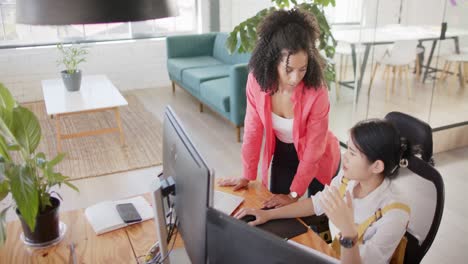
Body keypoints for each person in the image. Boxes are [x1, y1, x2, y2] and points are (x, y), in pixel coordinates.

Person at [235, 119, 412, 264]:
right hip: (329, 253)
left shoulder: (394, 214)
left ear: (377, 166)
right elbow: (317, 202)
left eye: (352, 153)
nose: (344, 157)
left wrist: (348, 232)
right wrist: (269, 215)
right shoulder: (348, 177)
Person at [218, 8, 340, 208]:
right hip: (285, 152)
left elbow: (314, 150)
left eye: (303, 69)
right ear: (273, 60)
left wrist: (294, 195)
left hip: (320, 157)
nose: (295, 78)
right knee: (274, 206)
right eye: (289, 69)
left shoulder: (317, 91)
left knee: (317, 218)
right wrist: (247, 176)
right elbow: (253, 131)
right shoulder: (257, 83)